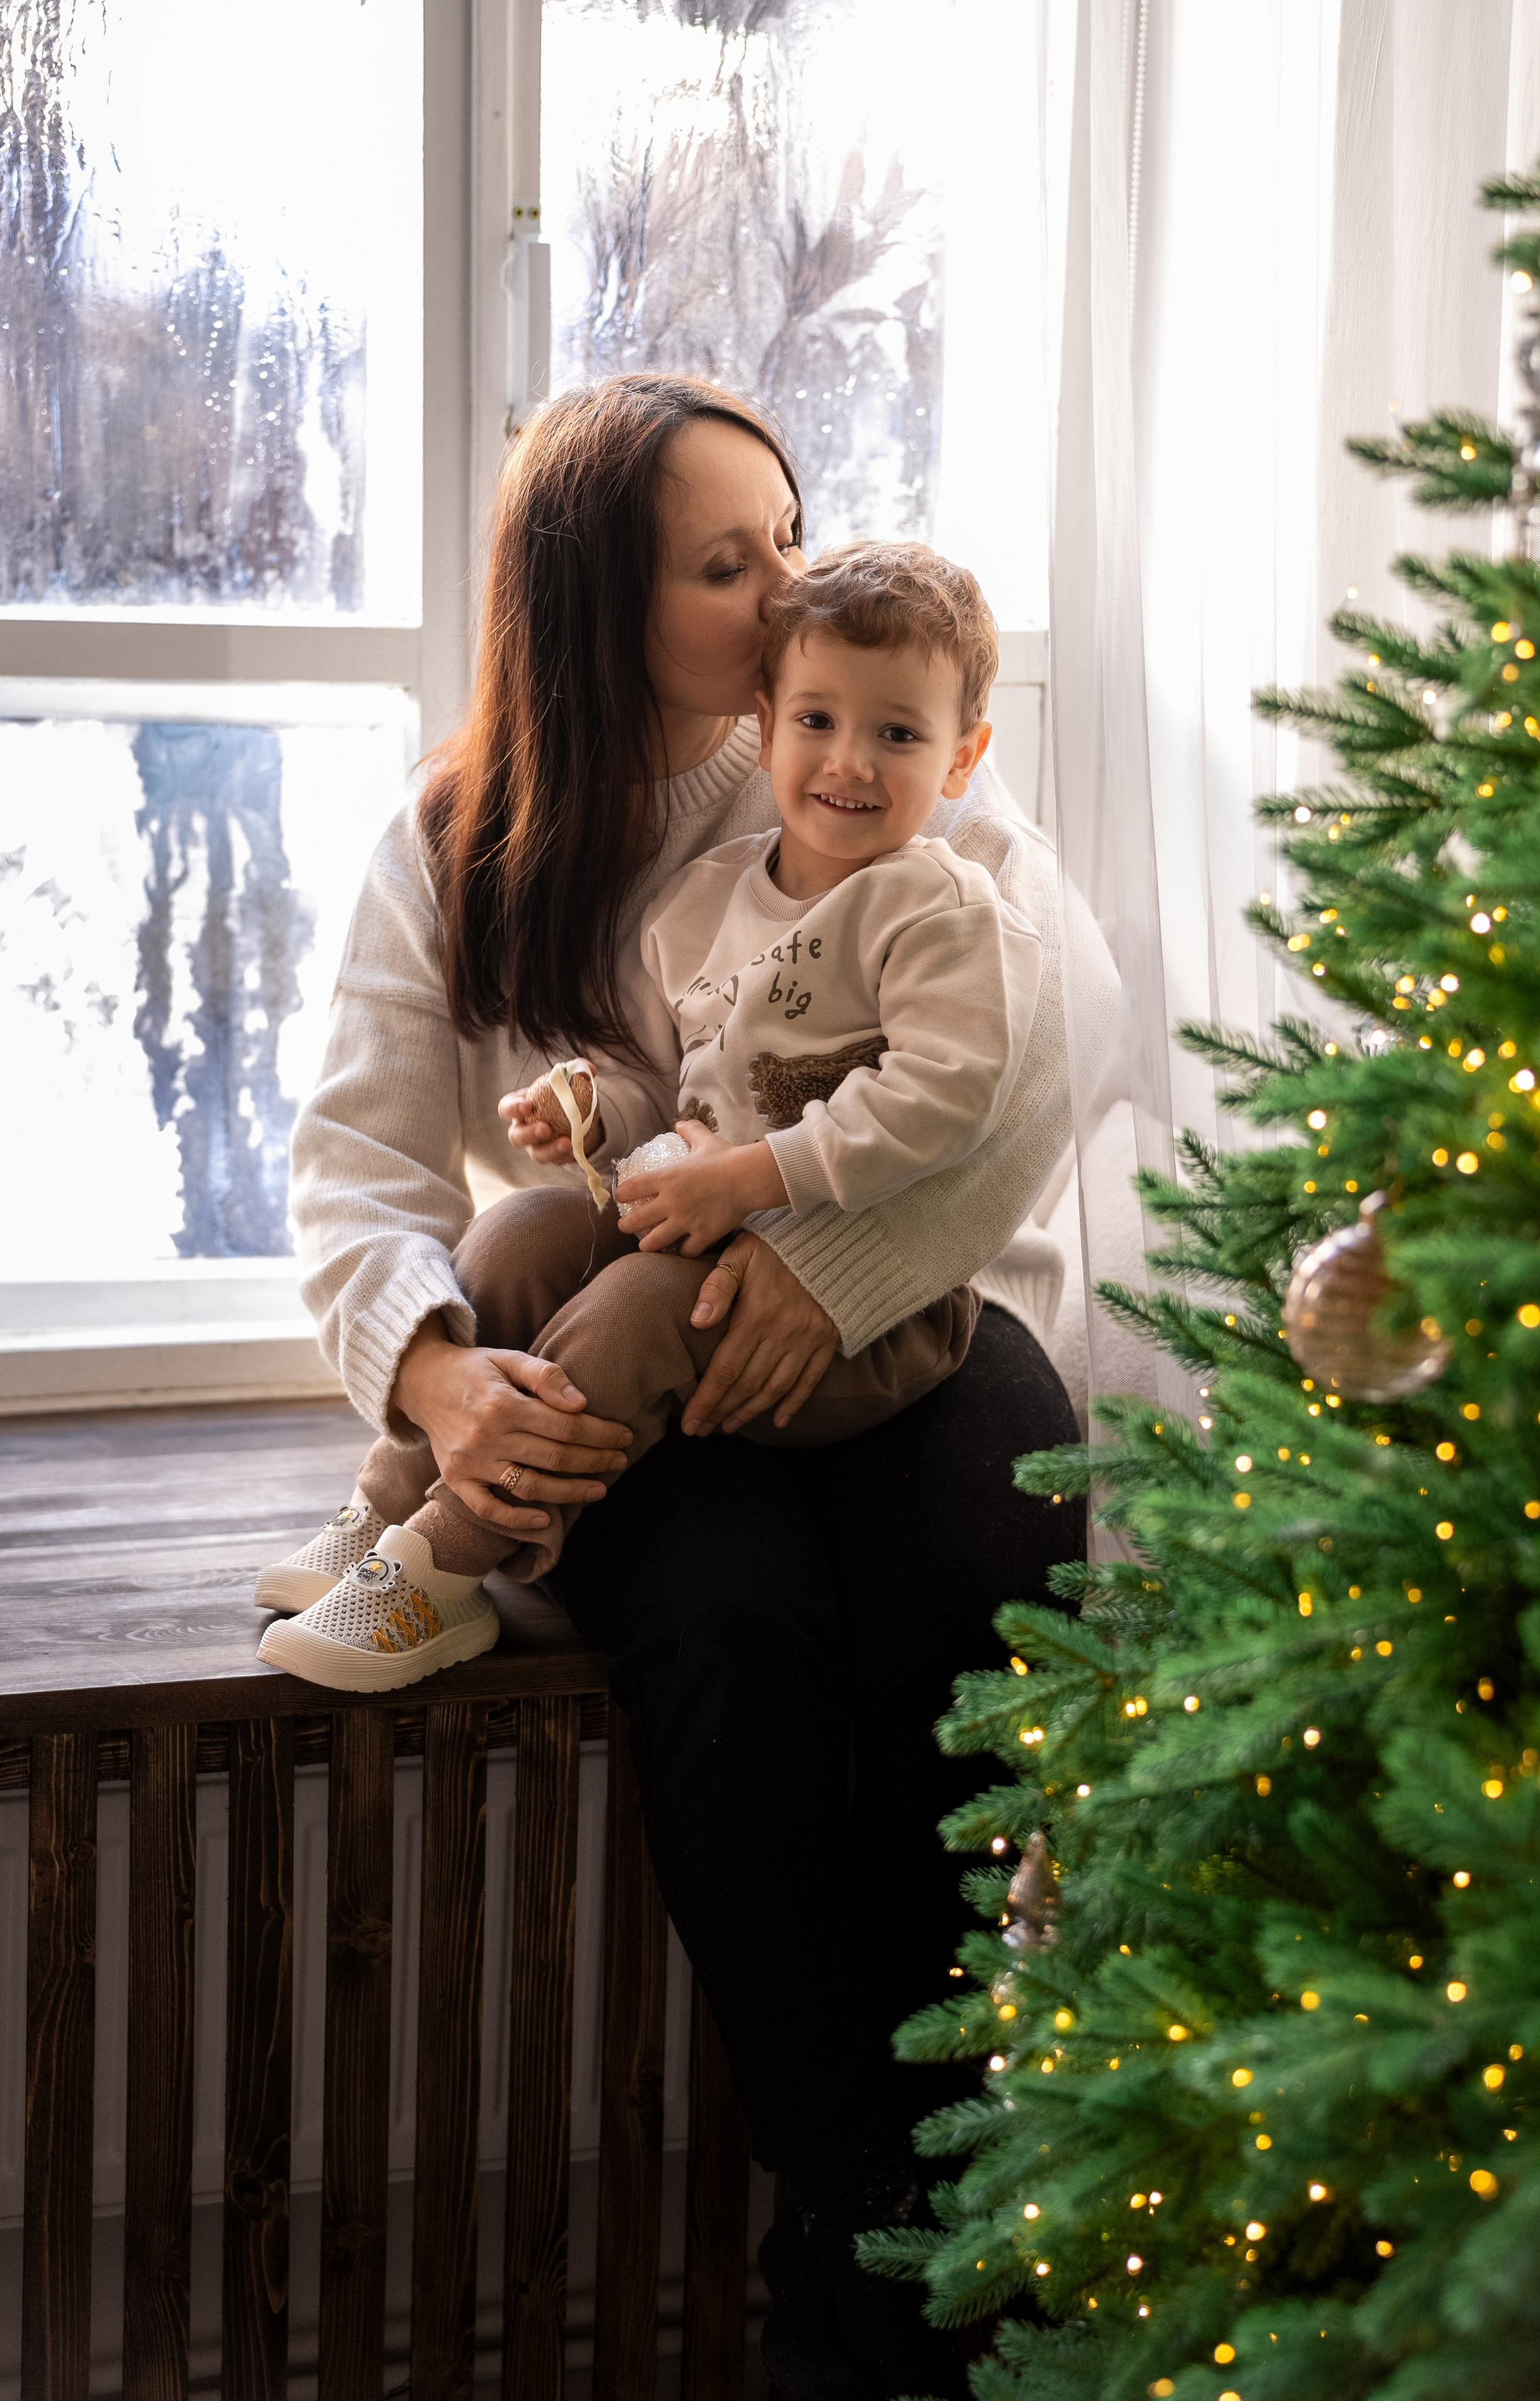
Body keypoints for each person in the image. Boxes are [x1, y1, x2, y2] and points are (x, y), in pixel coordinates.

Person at [271, 372, 1114, 2398]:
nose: (792, 586)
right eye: (733, 564)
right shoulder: (456, 833)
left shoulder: (857, 734)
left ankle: (929, 2191)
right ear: (596, 601)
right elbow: (363, 1177)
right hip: (636, 1349)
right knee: (736, 1641)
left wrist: (827, 1273)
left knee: (995, 1574)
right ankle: (882, 2233)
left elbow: (1047, 1040)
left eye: (791, 532)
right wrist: (449, 1383)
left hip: (904, 1310)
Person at [256, 540, 1042, 1687]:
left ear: (963, 754)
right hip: (712, 1227)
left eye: (900, 735)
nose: (851, 763)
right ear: (765, 722)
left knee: (627, 1310)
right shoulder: (709, 900)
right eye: (817, 721)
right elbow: (672, 1079)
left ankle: (446, 1563)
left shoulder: (939, 905)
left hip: (873, 1318)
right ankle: (386, 1503)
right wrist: (586, 1107)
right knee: (516, 1234)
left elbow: (946, 1097)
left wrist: (751, 1179)